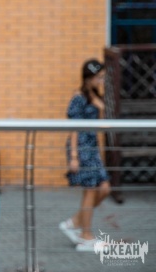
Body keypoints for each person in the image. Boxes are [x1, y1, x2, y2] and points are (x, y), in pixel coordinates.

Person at [59, 59, 111, 252]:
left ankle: (74, 222)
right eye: (99, 77)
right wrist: (74, 156)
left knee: (104, 189)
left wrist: (101, 108)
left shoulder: (94, 96)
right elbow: (74, 129)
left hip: (92, 147)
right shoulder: (79, 97)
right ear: (89, 78)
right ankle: (86, 236)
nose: (101, 81)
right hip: (81, 148)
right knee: (90, 190)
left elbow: (101, 126)